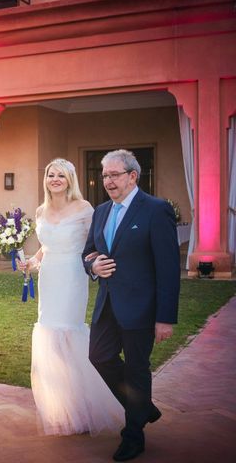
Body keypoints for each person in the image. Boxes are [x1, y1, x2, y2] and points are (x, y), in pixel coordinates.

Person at [83, 149, 179, 461]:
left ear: (132, 176)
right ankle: (143, 408)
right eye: (104, 175)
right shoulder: (100, 211)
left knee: (137, 369)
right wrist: (93, 266)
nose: (107, 181)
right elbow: (89, 252)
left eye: (114, 174)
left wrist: (165, 317)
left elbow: (168, 268)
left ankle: (133, 437)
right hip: (107, 303)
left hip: (141, 307)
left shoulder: (155, 209)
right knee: (98, 356)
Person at [22, 158, 124, 436]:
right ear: (46, 179)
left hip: (72, 276)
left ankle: (84, 407)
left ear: (70, 180)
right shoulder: (41, 209)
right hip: (49, 277)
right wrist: (31, 262)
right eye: (51, 175)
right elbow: (45, 246)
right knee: (49, 336)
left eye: (61, 175)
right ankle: (61, 408)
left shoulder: (84, 208)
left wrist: (98, 263)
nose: (55, 179)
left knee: (68, 333)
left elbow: (96, 243)